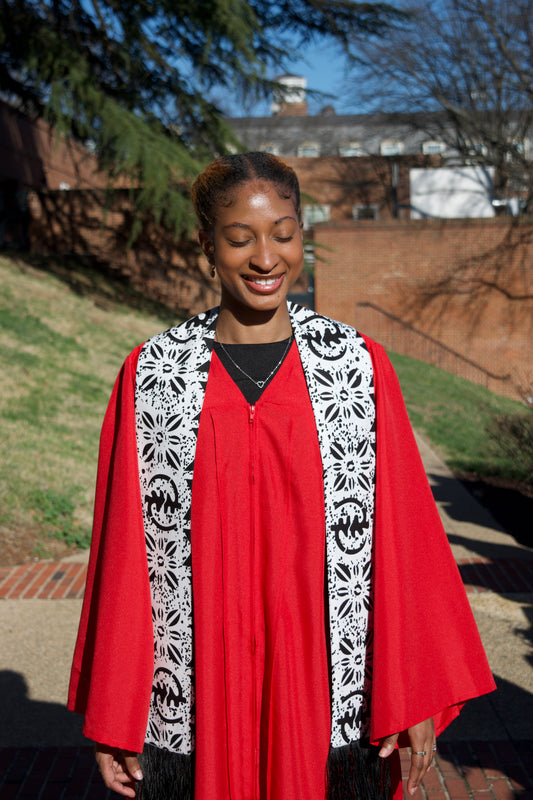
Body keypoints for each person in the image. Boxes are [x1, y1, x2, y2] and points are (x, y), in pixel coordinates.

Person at [68, 152, 496, 800]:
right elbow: (125, 553)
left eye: (284, 234)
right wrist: (115, 709)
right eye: (240, 238)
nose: (266, 258)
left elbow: (403, 536)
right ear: (207, 246)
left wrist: (413, 690)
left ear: (302, 238)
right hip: (192, 695)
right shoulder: (154, 374)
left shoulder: (354, 367)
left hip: (331, 692)